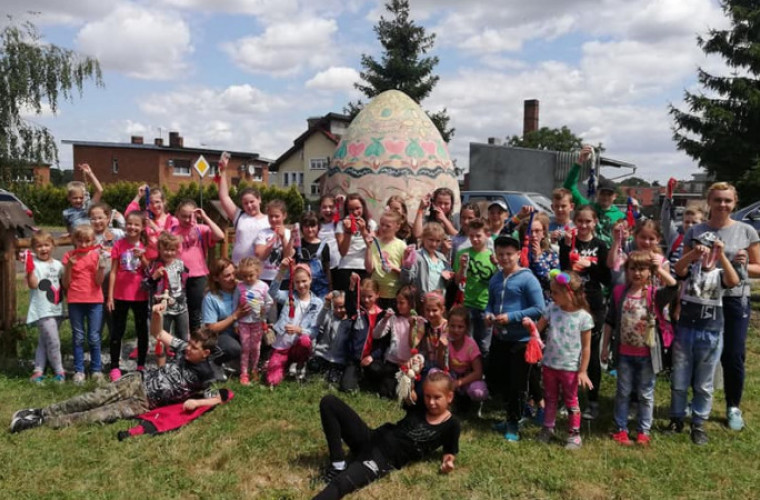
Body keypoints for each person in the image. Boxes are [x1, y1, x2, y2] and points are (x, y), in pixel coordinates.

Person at [10, 304, 221, 433]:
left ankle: (40, 422)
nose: (188, 348)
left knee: (96, 415)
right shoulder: (183, 347)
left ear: (205, 353)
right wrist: (157, 316)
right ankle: (40, 411)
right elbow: (158, 333)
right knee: (92, 398)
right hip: (137, 381)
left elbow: (217, 397)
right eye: (190, 344)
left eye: (194, 348)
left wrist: (197, 402)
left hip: (143, 403)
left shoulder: (206, 375)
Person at [682, 182, 760, 431]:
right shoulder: (696, 230)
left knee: (733, 354)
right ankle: (695, 401)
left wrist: (742, 265)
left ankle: (733, 406)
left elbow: (758, 269)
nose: (722, 205)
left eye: (727, 200)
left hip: (734, 299)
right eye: (717, 200)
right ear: (709, 202)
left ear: (735, 203)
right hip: (702, 299)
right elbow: (684, 266)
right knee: (699, 353)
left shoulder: (746, 231)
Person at [313, 370, 460, 500]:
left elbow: (449, 451)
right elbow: (410, 396)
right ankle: (338, 464)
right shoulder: (421, 405)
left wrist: (448, 462)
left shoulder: (452, 424)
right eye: (428, 396)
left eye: (437, 397)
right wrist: (410, 377)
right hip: (372, 438)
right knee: (329, 402)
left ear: (449, 397)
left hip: (383, 459)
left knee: (342, 483)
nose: (431, 402)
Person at [668, 231, 741, 445]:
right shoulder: (691, 269)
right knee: (680, 378)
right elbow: (678, 269)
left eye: (710, 249)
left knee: (704, 382)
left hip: (710, 333)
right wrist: (693, 254)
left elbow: (734, 281)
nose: (705, 253)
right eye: (701, 247)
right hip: (685, 331)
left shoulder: (720, 273)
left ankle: (698, 422)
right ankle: (676, 418)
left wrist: (722, 255)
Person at [601, 251, 677, 446]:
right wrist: (605, 347)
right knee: (623, 392)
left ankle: (644, 430)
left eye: (642, 269)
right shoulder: (619, 292)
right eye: (633, 268)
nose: (637, 273)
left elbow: (673, 286)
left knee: (645, 393)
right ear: (626, 271)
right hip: (624, 354)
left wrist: (659, 269)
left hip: (647, 355)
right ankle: (621, 429)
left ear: (649, 271)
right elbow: (610, 321)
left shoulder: (654, 294)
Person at [486, 236, 545, 442]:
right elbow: (490, 303)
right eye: (500, 254)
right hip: (500, 338)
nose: (504, 258)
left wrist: (511, 317)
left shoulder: (528, 279)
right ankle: (511, 415)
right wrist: (488, 314)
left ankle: (514, 422)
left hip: (521, 340)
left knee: (517, 384)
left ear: (518, 254)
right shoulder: (495, 278)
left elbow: (539, 308)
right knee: (499, 379)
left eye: (509, 254)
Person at [559, 205, 611, 420]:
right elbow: (562, 273)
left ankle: (593, 400)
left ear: (595, 222)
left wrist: (588, 265)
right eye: (579, 221)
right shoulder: (568, 242)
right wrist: (565, 249)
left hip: (593, 305)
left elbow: (606, 278)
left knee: (591, 354)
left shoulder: (600, 245)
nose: (583, 225)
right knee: (570, 353)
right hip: (571, 303)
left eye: (588, 221)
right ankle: (569, 399)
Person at [534, 271, 593, 449]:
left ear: (569, 293)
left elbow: (586, 347)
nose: (552, 296)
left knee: (571, 400)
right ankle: (548, 428)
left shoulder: (583, 318)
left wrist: (583, 371)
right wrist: (531, 329)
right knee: (550, 397)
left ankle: (574, 434)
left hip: (570, 368)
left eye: (555, 292)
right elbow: (537, 329)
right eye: (551, 292)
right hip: (549, 365)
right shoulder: (552, 309)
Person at [107, 211, 150, 381]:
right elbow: (113, 272)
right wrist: (110, 296)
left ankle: (141, 365)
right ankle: (114, 366)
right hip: (120, 295)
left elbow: (150, 271)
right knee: (117, 331)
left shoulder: (145, 245)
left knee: (142, 331)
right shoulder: (119, 245)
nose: (132, 227)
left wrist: (143, 257)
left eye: (136, 224)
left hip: (140, 295)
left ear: (142, 227)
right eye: (129, 224)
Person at [267, 259, 323, 386]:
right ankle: (283, 363)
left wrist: (299, 330)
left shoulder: (317, 303)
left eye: (304, 281)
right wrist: (282, 270)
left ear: (310, 279)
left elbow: (314, 332)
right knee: (272, 380)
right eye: (297, 282)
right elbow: (272, 292)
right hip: (283, 344)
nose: (301, 285)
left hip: (298, 345)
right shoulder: (289, 296)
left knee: (305, 340)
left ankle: (299, 363)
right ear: (293, 283)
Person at [63, 225, 107, 384]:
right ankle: (79, 370)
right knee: (78, 337)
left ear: (93, 241)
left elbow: (99, 282)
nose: (83, 244)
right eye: (80, 241)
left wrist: (101, 267)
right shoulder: (69, 256)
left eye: (87, 241)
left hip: (95, 300)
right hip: (75, 300)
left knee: (94, 337)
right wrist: (69, 266)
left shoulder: (96, 256)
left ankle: (96, 370)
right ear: (74, 240)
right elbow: (66, 284)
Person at [172, 200, 225, 332]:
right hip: (178, 276)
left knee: (196, 311)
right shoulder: (172, 231)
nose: (187, 220)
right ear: (177, 214)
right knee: (178, 311)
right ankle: (181, 339)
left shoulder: (200, 229)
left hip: (198, 275)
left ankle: (195, 339)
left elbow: (220, 235)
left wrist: (205, 217)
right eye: (184, 216)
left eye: (191, 216)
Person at [453, 218, 498, 358]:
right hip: (467, 304)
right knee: (467, 343)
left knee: (484, 345)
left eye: (478, 236)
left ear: (487, 235)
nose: (474, 239)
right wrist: (461, 267)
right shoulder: (462, 253)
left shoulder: (493, 256)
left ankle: (483, 370)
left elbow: (499, 283)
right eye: (471, 236)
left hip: (486, 305)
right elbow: (457, 281)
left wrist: (497, 265)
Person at [365, 285, 421, 398]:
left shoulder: (418, 321)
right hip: (392, 362)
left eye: (402, 303)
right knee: (383, 387)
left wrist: (412, 326)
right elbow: (376, 335)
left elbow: (414, 345)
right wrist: (384, 320)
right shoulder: (394, 318)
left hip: (408, 364)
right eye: (397, 302)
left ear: (411, 303)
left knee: (399, 391)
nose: (398, 305)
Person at [25, 231, 65, 383]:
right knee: (54, 342)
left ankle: (38, 370)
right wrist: (29, 271)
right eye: (39, 246)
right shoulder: (34, 264)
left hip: (57, 309)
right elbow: (33, 284)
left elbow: (65, 283)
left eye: (46, 245)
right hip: (43, 311)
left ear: (53, 246)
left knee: (44, 341)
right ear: (34, 248)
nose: (43, 249)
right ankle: (59, 371)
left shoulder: (58, 265)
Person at [563, 145, 624, 245]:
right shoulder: (587, 207)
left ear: (615, 196)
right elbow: (569, 187)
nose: (605, 197)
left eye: (609, 194)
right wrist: (579, 161)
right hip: (587, 250)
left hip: (609, 252)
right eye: (602, 193)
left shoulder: (620, 216)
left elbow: (628, 239)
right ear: (596, 193)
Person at [216, 155, 269, 265]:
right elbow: (224, 197)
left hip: (260, 268)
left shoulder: (269, 220)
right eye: (245, 203)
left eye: (252, 202)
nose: (249, 206)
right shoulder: (239, 216)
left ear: (259, 200)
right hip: (239, 267)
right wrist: (223, 170)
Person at [340, 275, 385, 393]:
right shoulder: (358, 311)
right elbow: (348, 304)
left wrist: (372, 356)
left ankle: (365, 377)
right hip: (355, 358)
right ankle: (356, 373)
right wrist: (351, 286)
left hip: (371, 358)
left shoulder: (382, 315)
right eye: (363, 296)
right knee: (346, 388)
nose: (366, 300)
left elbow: (383, 343)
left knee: (376, 370)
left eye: (370, 296)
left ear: (377, 295)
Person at [202, 258, 248, 366]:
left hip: (246, 329)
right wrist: (235, 316)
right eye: (227, 275)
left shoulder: (243, 288)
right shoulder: (211, 298)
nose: (232, 278)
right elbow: (211, 328)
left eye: (234, 274)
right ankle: (214, 362)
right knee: (233, 348)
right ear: (216, 278)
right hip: (223, 335)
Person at [235, 257, 272, 386]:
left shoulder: (263, 286)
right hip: (243, 322)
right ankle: (244, 372)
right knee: (245, 347)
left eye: (251, 275)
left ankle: (254, 369)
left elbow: (269, 301)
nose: (248, 278)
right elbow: (234, 304)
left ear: (258, 272)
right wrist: (235, 322)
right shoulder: (239, 287)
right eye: (245, 276)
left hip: (257, 322)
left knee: (256, 347)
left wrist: (264, 310)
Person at [311, 291, 359, 385]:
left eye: (341, 307)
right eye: (335, 307)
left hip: (338, 360)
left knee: (333, 379)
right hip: (323, 355)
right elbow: (318, 322)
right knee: (313, 367)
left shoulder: (351, 322)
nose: (338, 310)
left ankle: (331, 374)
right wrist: (326, 305)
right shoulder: (330, 316)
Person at [446, 305, 488, 407]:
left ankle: (467, 399)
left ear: (467, 328)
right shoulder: (445, 340)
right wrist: (441, 348)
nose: (456, 330)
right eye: (452, 326)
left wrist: (459, 382)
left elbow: (478, 372)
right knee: (433, 373)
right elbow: (440, 365)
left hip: (466, 378)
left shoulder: (471, 345)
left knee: (478, 392)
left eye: (460, 327)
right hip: (450, 375)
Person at [334, 193, 376, 292]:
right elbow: (343, 252)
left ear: (363, 207)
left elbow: (372, 246)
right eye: (351, 209)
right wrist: (348, 232)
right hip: (346, 266)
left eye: (358, 208)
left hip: (364, 266)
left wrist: (363, 230)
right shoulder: (341, 224)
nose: (355, 212)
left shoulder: (371, 224)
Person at [364, 209, 405, 309]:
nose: (383, 228)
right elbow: (369, 269)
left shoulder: (401, 245)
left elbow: (405, 273)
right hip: (376, 294)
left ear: (397, 227)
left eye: (388, 226)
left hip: (394, 293)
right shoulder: (374, 243)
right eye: (382, 225)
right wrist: (368, 248)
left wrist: (394, 268)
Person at [125, 184, 178, 260]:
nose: (154, 205)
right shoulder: (146, 218)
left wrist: (154, 227)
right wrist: (138, 196)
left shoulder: (172, 221)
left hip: (165, 261)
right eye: (151, 203)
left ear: (164, 202)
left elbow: (171, 242)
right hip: (147, 261)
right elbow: (129, 215)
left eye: (157, 202)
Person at [401, 221, 453, 297]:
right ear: (423, 238)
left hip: (438, 299)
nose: (434, 244)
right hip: (422, 299)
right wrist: (407, 266)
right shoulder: (417, 256)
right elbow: (406, 281)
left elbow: (448, 282)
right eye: (431, 240)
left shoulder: (441, 257)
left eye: (438, 241)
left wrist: (448, 276)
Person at [255, 199, 293, 284]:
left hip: (283, 278)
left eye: (277, 216)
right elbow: (261, 257)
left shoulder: (289, 233)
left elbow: (289, 256)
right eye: (270, 216)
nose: (273, 219)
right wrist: (273, 239)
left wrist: (283, 238)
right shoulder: (263, 233)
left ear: (284, 216)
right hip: (265, 277)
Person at [297, 211, 332, 298]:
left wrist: (330, 288)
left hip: (320, 290)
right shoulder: (298, 244)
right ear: (302, 227)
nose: (310, 229)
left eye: (313, 226)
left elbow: (327, 268)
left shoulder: (324, 246)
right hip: (301, 288)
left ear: (318, 227)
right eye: (306, 226)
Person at [62, 163, 103, 234]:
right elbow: (70, 230)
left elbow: (100, 191)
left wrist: (90, 173)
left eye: (81, 198)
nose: (78, 200)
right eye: (75, 198)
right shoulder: (66, 213)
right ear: (69, 198)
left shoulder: (89, 207)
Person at [318, 195, 342, 276]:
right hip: (321, 266)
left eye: (331, 207)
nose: (328, 210)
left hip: (337, 265)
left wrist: (342, 201)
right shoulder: (316, 225)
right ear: (320, 209)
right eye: (324, 207)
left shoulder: (338, 224)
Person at [549, 188, 575, 252]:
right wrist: (549, 240)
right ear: (552, 207)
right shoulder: (546, 226)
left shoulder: (577, 228)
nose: (560, 209)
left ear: (571, 207)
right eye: (557, 206)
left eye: (563, 206)